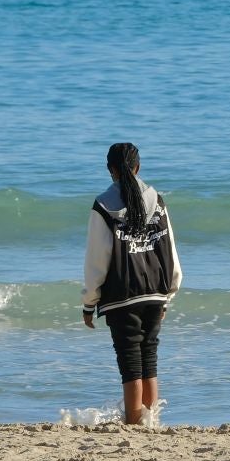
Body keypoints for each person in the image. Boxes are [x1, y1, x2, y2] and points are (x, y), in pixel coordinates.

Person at [80, 142, 183, 425]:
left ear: (110, 169)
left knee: (130, 365)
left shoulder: (103, 205)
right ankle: (152, 422)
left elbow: (97, 260)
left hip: (123, 296)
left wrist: (89, 303)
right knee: (149, 358)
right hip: (155, 292)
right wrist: (169, 293)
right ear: (138, 167)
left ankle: (135, 424)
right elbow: (169, 249)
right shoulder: (157, 199)